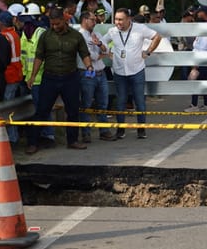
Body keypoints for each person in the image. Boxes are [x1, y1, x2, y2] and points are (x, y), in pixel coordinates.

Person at [25, 8, 95, 153]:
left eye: (57, 24)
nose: (55, 27)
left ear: (64, 20)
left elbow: (84, 53)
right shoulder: (45, 36)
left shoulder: (76, 36)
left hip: (70, 78)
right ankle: (33, 143)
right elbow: (39, 57)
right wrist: (33, 76)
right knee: (42, 110)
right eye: (52, 24)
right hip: (50, 78)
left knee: (73, 110)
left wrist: (89, 66)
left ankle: (73, 140)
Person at [99, 8, 162, 139]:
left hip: (137, 71)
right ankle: (121, 130)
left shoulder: (140, 28)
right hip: (119, 72)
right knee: (121, 102)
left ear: (129, 19)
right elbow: (103, 42)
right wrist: (107, 52)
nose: (118, 22)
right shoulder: (112, 31)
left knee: (139, 101)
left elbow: (157, 36)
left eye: (121, 19)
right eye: (116, 19)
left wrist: (148, 52)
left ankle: (141, 129)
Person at [18, 2, 56, 146]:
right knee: (39, 107)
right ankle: (43, 134)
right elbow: (24, 56)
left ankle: (49, 135)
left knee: (43, 107)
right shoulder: (24, 35)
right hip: (31, 80)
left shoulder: (41, 33)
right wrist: (25, 76)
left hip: (43, 79)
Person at [77, 11, 116, 142]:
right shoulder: (80, 35)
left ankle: (104, 130)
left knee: (103, 103)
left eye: (95, 20)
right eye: (92, 19)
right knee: (86, 103)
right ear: (84, 20)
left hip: (100, 72)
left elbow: (106, 49)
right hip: (87, 73)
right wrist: (102, 54)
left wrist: (99, 45)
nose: (95, 22)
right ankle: (86, 133)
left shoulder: (97, 34)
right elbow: (91, 56)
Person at [0, 10, 24, 142]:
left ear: (0, 23)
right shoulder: (14, 34)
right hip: (17, 72)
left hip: (10, 74)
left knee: (7, 107)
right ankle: (14, 136)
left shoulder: (4, 36)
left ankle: (12, 138)